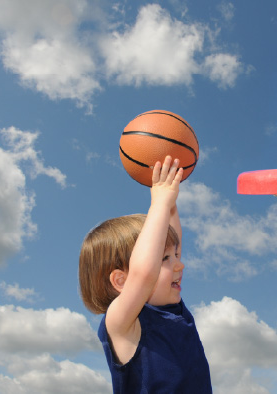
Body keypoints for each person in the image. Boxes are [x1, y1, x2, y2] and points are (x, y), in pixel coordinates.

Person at [79, 156, 212, 393]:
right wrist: (159, 204)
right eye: (165, 259)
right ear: (121, 280)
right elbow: (144, 273)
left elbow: (171, 238)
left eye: (176, 256)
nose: (180, 265)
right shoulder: (122, 323)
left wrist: (168, 197)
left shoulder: (174, 312)